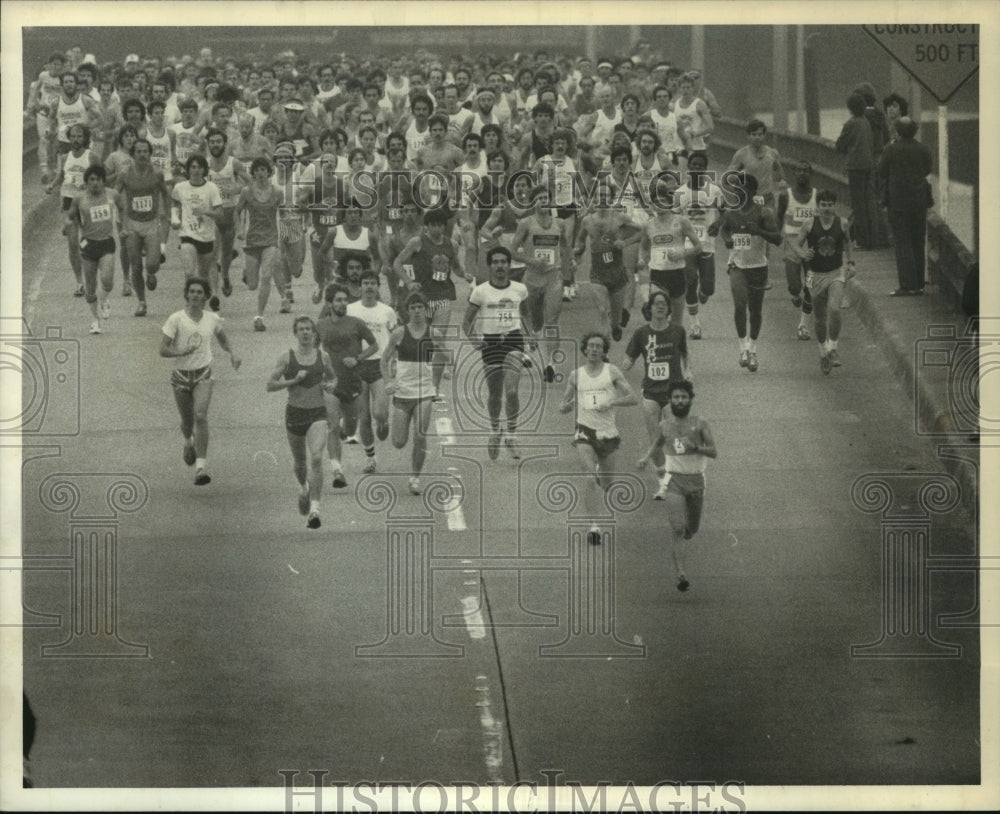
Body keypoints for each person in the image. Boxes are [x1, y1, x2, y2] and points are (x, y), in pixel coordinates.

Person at [159, 276, 242, 486]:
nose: (195, 295)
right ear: (186, 294)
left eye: (199, 292)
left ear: (205, 297)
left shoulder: (211, 318)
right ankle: (188, 442)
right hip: (180, 376)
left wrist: (232, 353)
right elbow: (162, 349)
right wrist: (180, 350)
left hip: (203, 374)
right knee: (187, 423)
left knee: (201, 416)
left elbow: (222, 337)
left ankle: (201, 468)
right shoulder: (176, 319)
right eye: (192, 291)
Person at [559, 331, 639, 546]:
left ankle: (598, 483)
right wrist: (565, 406)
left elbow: (633, 398)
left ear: (604, 351)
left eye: (598, 346)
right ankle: (593, 525)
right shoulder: (576, 375)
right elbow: (563, 405)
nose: (594, 349)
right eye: (591, 346)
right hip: (585, 431)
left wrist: (612, 403)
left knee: (607, 483)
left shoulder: (611, 372)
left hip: (608, 433)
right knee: (588, 477)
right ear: (584, 349)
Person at [637, 380, 717, 592]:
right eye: (675, 398)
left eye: (683, 397)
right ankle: (680, 573)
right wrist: (646, 458)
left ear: (690, 400)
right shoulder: (665, 426)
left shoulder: (700, 424)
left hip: (697, 480)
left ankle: (688, 533)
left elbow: (714, 452)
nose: (679, 401)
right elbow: (657, 441)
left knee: (692, 529)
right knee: (678, 528)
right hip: (675, 481)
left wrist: (697, 447)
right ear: (670, 401)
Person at [462, 246, 534, 460]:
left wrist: (530, 336)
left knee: (511, 391)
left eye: (504, 262)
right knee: (495, 394)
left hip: (513, 340)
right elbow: (467, 321)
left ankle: (511, 435)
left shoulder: (520, 289)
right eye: (496, 262)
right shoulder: (480, 291)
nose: (500, 266)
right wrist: (475, 340)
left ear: (509, 265)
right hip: (490, 343)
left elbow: (527, 314)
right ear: (490, 265)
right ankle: (495, 431)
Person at [267, 316, 338, 529]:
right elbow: (270, 385)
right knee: (300, 464)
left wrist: (330, 386)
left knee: (316, 458)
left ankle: (315, 510)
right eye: (301, 329)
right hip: (295, 414)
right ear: (295, 333)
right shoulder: (286, 358)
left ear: (314, 333)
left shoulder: (323, 357)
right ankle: (304, 487)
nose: (305, 333)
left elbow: (333, 378)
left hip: (317, 413)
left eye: (309, 329)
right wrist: (294, 381)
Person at [708, 173, 782, 372]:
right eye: (737, 189)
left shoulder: (763, 213)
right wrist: (727, 240)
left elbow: (777, 239)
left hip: (758, 266)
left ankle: (753, 348)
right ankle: (743, 349)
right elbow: (725, 229)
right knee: (740, 305)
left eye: (744, 189)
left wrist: (759, 231)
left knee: (755, 311)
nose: (740, 192)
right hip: (737, 265)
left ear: (751, 191)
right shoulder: (731, 212)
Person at [623, 289, 690, 496]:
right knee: (654, 437)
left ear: (669, 309)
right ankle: (663, 481)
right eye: (656, 303)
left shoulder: (678, 331)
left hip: (673, 391)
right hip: (651, 392)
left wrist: (688, 371)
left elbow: (685, 354)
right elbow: (630, 357)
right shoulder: (641, 333)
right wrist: (620, 368)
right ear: (649, 308)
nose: (660, 306)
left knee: (670, 434)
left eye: (664, 304)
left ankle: (678, 475)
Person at [316, 284, 379, 490]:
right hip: (330, 383)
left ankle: (346, 431)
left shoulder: (356, 324)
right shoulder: (321, 325)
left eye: (345, 300)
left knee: (349, 428)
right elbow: (311, 348)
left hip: (352, 382)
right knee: (333, 426)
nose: (343, 303)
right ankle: (337, 471)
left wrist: (358, 358)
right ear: (330, 303)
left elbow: (374, 345)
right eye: (338, 300)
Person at [382, 292, 440, 495]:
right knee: (399, 442)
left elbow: (443, 357)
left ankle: (415, 477)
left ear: (426, 310)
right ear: (407, 311)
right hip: (403, 392)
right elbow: (384, 360)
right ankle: (386, 422)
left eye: (420, 307)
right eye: (413, 308)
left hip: (424, 392)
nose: (417, 311)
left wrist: (443, 375)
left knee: (420, 434)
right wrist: (389, 381)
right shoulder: (399, 333)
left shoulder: (433, 333)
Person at [794, 189, 857, 374]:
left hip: (836, 272)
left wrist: (851, 263)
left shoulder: (842, 223)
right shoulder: (809, 224)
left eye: (830, 205)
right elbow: (796, 244)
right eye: (823, 205)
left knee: (835, 309)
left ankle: (833, 348)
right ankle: (823, 353)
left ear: (834, 206)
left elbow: (847, 242)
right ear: (818, 206)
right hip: (814, 275)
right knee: (820, 318)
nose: (827, 208)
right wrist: (803, 253)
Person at [512, 188, 569, 384]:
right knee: (533, 320)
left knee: (552, 320)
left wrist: (568, 273)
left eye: (547, 198)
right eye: (540, 198)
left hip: (553, 277)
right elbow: (512, 251)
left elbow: (565, 248)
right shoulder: (526, 223)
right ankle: (530, 343)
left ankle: (551, 365)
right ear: (533, 202)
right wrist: (531, 260)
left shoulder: (559, 223)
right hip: (532, 277)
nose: (544, 201)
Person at [347, 270, 399, 472]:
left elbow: (396, 338)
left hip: (380, 366)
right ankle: (371, 458)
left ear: (378, 287)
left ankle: (384, 421)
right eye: (365, 283)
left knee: (378, 412)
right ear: (359, 287)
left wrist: (395, 361)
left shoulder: (387, 311)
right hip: (358, 366)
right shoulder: (351, 310)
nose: (369, 287)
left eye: (372, 283)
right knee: (363, 416)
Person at [573, 199, 643, 341]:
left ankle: (615, 326)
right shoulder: (587, 220)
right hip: (598, 272)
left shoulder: (620, 217)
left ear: (611, 198)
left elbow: (642, 231)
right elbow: (580, 240)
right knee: (603, 310)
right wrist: (578, 252)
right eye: (599, 195)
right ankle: (604, 347)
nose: (602, 199)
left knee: (616, 316)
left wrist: (625, 242)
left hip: (617, 271)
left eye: (606, 195)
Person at [66, 165, 124, 334]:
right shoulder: (79, 198)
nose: (95, 183)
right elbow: (71, 216)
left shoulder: (112, 194)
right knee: (90, 287)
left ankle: (104, 300)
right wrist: (69, 226)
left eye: (98, 179)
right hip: (88, 244)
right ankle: (95, 320)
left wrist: (123, 228)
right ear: (86, 182)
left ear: (103, 180)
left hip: (106, 242)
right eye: (91, 179)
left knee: (107, 280)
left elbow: (121, 209)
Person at [878, 117, 932, 296]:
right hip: (919, 201)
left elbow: (882, 171)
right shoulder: (923, 148)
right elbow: (927, 170)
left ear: (898, 131)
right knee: (918, 241)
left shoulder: (891, 149)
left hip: (899, 202)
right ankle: (919, 285)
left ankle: (906, 286)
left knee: (903, 243)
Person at [117, 138, 171, 317]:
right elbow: (115, 194)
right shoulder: (125, 174)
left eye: (145, 151)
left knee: (153, 263)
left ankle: (152, 273)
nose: (142, 155)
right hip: (132, 224)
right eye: (138, 151)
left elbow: (165, 193)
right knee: (135, 266)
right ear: (133, 154)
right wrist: (120, 215)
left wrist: (167, 214)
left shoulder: (157, 174)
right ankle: (141, 302)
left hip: (151, 224)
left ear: (150, 153)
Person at [47, 122, 101, 297]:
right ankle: (79, 282)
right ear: (69, 138)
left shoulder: (91, 156)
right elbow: (60, 177)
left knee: (88, 242)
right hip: (69, 202)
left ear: (85, 138)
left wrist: (92, 188)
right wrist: (51, 185)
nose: (76, 139)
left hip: (87, 201)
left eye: (80, 136)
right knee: (72, 244)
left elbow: (100, 180)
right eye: (73, 136)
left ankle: (92, 273)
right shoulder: (64, 157)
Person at [673, 151, 723, 339]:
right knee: (690, 278)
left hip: (707, 243)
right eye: (693, 165)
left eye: (700, 166)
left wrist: (718, 224)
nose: (696, 168)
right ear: (688, 168)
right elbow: (674, 218)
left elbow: (724, 212)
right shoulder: (680, 193)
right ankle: (695, 324)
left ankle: (704, 292)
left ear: (705, 169)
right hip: (687, 243)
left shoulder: (714, 190)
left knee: (708, 287)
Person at [235, 156, 285, 331]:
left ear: (269, 172)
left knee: (266, 276)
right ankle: (247, 273)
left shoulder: (277, 192)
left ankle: (259, 317)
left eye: (264, 170)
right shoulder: (246, 192)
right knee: (252, 285)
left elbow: (284, 213)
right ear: (253, 173)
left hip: (270, 239)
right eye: (257, 170)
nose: (261, 173)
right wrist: (239, 229)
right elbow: (237, 211)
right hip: (252, 240)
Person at [777, 160, 819, 340]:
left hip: (811, 247)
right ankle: (795, 294)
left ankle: (803, 324)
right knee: (795, 285)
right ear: (794, 173)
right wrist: (778, 237)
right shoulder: (786, 195)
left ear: (811, 174)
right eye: (799, 171)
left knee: (810, 286)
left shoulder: (818, 195)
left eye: (806, 171)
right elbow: (779, 217)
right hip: (793, 245)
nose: (802, 174)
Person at [171, 153, 224, 287]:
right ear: (188, 169)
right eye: (193, 167)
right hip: (187, 234)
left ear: (204, 170)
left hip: (206, 236)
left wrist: (205, 211)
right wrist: (175, 218)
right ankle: (189, 300)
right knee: (189, 272)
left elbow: (220, 213)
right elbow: (175, 203)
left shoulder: (211, 188)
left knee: (203, 275)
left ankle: (201, 302)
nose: (196, 170)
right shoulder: (180, 187)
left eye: (199, 167)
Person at [835, 93, 875, 251]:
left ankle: (862, 240)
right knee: (867, 202)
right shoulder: (865, 122)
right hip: (868, 165)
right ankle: (871, 238)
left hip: (855, 167)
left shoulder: (851, 124)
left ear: (850, 108)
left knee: (858, 204)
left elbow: (840, 144)